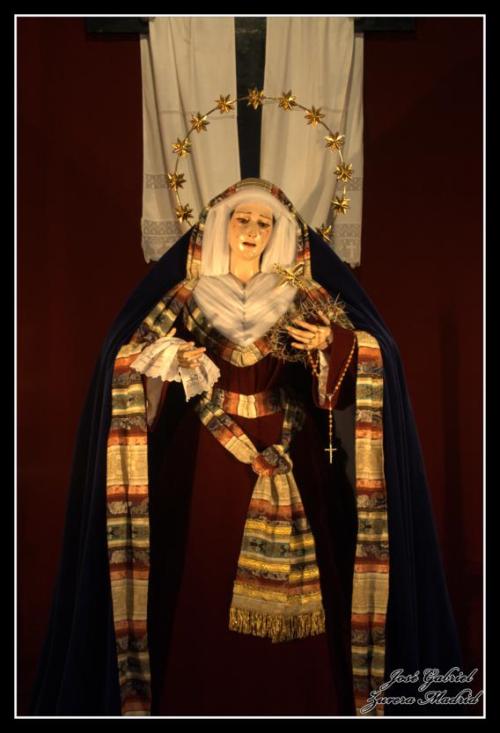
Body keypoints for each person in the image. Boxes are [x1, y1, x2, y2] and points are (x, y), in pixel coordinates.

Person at [29, 178, 464, 717]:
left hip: (290, 451)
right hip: (206, 460)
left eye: (264, 223)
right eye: (243, 220)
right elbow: (124, 357)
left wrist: (331, 344)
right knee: (200, 577)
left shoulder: (300, 293)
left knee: (313, 590)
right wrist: (171, 358)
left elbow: (373, 353)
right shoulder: (190, 293)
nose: (253, 232)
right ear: (221, 226)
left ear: (278, 233)